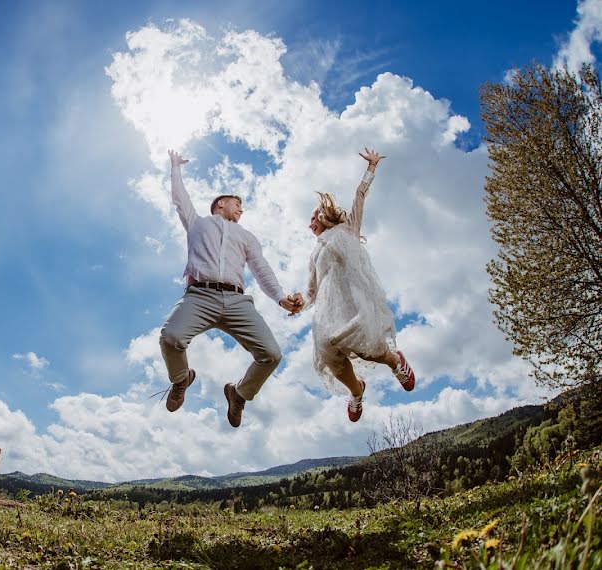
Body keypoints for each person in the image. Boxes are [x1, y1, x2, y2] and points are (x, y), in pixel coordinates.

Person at [160, 149, 302, 428]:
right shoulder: (197, 224)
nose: (241, 209)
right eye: (237, 203)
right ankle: (181, 379)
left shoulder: (246, 236)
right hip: (200, 296)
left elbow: (261, 268)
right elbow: (180, 199)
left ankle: (238, 394)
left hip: (237, 301)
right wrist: (175, 168)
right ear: (221, 203)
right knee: (171, 338)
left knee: (271, 355)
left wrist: (280, 298)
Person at [298, 148, 416, 422]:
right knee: (329, 355)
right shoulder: (315, 254)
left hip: (355, 301)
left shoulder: (348, 229)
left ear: (324, 217)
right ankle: (357, 391)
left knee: (367, 345)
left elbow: (359, 196)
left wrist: (371, 169)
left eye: (312, 219)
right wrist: (296, 303)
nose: (309, 225)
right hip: (329, 311)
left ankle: (394, 361)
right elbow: (311, 292)